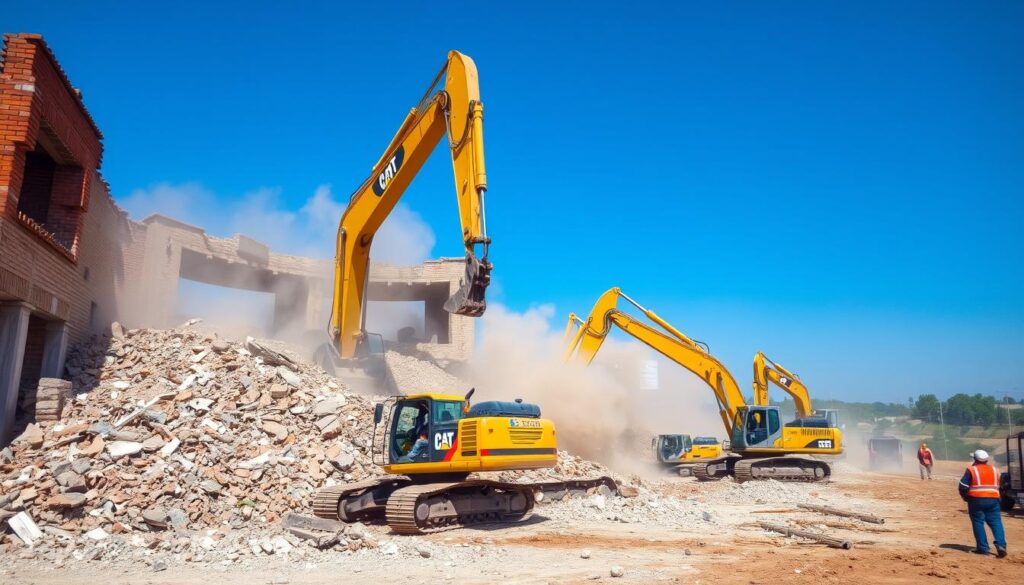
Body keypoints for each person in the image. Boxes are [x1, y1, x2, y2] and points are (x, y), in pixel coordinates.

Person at [958, 449, 1007, 558]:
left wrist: (965, 497)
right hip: (994, 499)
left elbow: (963, 486)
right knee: (996, 522)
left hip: (976, 500)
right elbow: (1002, 486)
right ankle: (1001, 545)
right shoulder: (995, 470)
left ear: (975, 459)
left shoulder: (972, 470)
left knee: (978, 522)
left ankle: (983, 548)